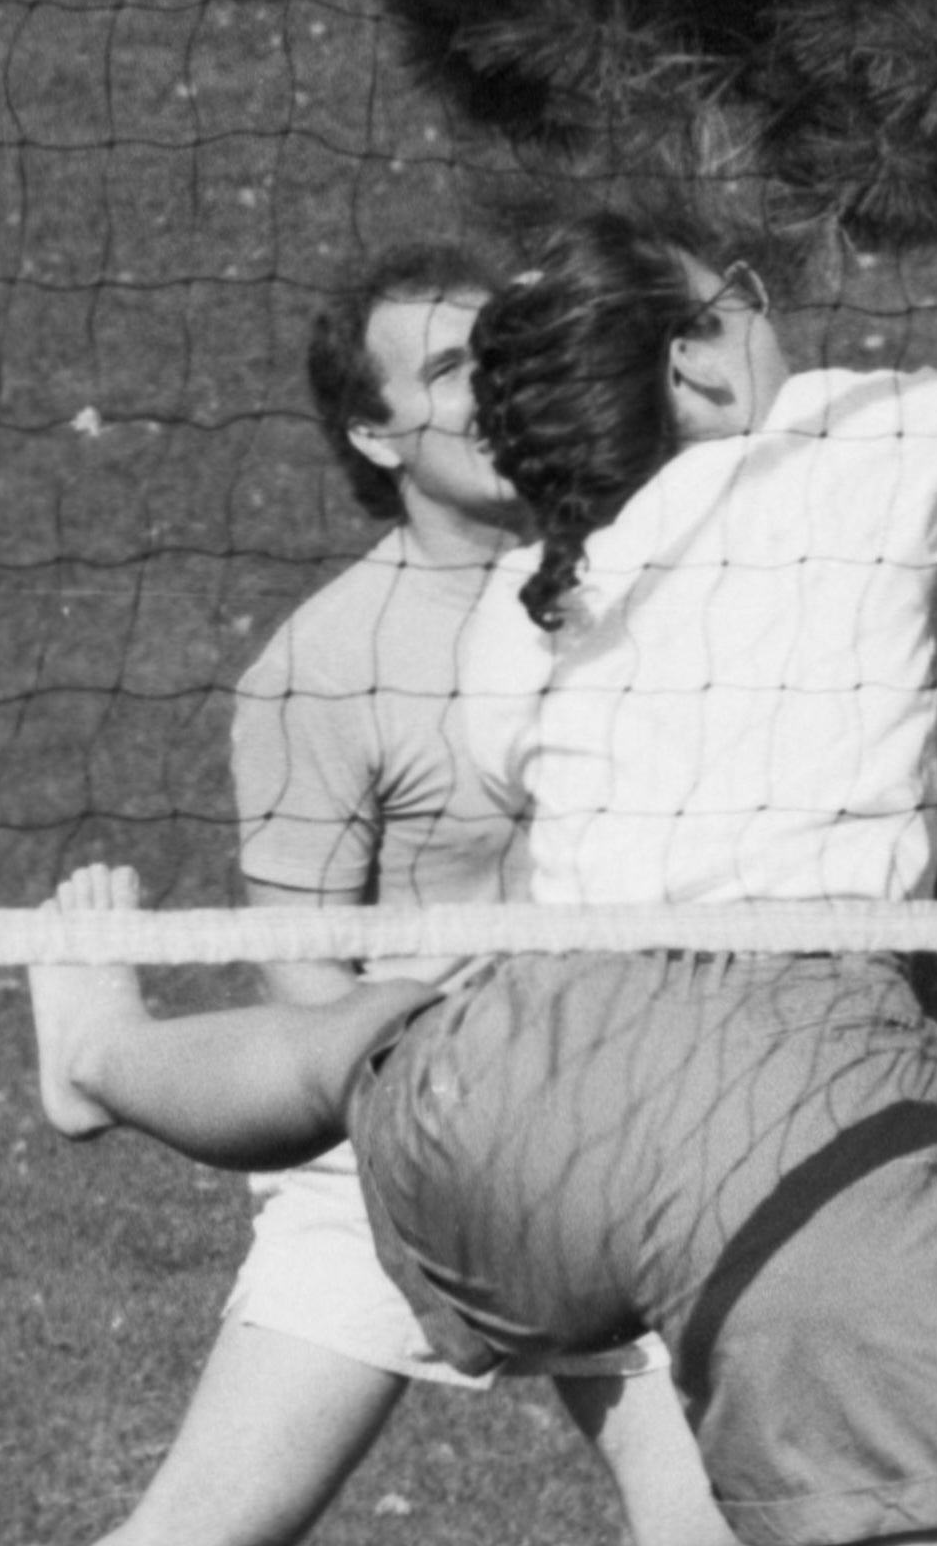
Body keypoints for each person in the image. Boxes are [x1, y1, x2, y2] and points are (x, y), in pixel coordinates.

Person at [27, 0, 937, 1546]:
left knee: (363, 1052)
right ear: (697, 366)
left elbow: (507, 764)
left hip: (528, 1102)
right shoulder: (842, 443)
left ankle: (113, 1057)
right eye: (730, 293)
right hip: (790, 1072)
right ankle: (128, 1054)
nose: (763, 305)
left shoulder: (537, 599)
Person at [105, 246, 719, 1546]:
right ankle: (93, 1051)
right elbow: (304, 987)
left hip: (629, 1148)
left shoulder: (640, 584)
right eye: (448, 370)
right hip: (389, 1159)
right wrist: (435, 1135)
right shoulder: (324, 664)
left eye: (502, 354)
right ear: (373, 430)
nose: (493, 391)